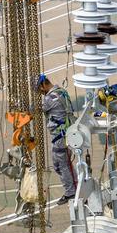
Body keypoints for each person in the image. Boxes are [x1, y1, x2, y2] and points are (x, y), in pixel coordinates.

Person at [37, 74, 77, 204]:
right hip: (65, 134)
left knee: (61, 164)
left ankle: (71, 192)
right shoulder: (61, 92)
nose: (41, 93)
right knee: (62, 164)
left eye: (39, 90)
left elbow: (35, 110)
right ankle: (74, 187)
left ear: (43, 85)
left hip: (60, 136)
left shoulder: (50, 98)